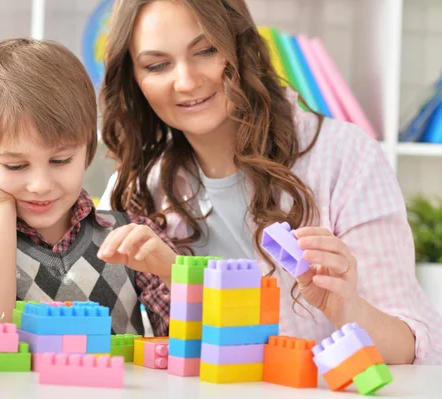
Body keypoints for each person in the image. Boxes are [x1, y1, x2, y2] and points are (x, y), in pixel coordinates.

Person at [96, 0, 442, 364]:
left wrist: (347, 308)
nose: (186, 81)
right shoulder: (136, 185)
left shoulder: (345, 158)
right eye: (157, 65)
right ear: (134, 79)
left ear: (241, 45)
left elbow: (413, 348)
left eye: (207, 50)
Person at [0, 38, 179, 337]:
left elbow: (201, 346)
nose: (40, 185)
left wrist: (172, 273)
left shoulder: (131, 237)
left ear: (87, 151)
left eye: (60, 160)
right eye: (15, 166)